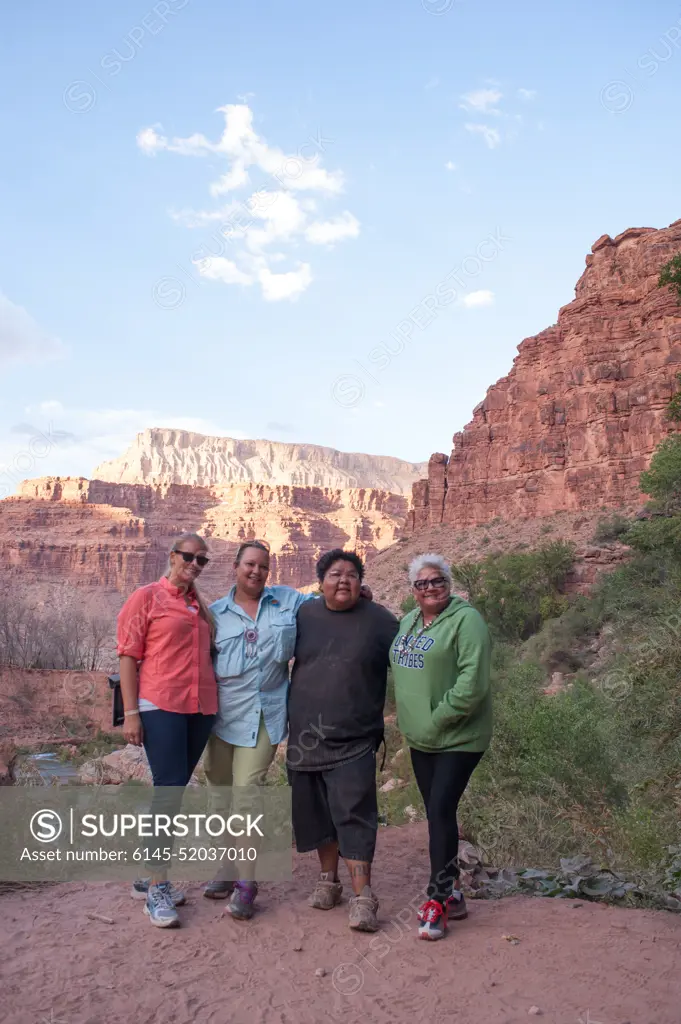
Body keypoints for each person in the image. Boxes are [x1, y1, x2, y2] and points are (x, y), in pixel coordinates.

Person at [203, 540, 318, 920]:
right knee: (220, 799)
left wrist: (359, 593)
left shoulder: (288, 602)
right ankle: (227, 865)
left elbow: (328, 607)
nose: (256, 571)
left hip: (266, 716)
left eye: (263, 567)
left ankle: (247, 884)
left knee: (246, 794)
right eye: (250, 565)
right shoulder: (215, 614)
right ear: (235, 567)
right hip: (221, 718)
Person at [287, 548, 399, 933]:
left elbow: (412, 662)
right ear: (320, 581)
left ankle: (363, 896)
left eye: (352, 575)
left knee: (355, 815)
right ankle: (328, 881)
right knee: (317, 816)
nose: (344, 581)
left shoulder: (380, 621)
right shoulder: (302, 615)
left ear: (361, 582)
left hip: (355, 739)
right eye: (335, 574)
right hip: (304, 739)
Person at [116, 532, 218, 928]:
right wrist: (131, 713)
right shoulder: (147, 597)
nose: (194, 565)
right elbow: (128, 656)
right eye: (189, 557)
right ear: (173, 555)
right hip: (160, 706)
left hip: (200, 709)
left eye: (202, 561)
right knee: (169, 794)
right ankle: (158, 887)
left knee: (170, 794)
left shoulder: (199, 605)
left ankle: (146, 878)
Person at [391, 553, 492, 941]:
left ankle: (437, 899)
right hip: (420, 738)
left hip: (458, 736)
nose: (431, 588)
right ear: (413, 590)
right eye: (422, 583)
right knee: (438, 814)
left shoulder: (467, 621)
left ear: (449, 584)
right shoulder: (408, 621)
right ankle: (453, 893)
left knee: (440, 809)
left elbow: (474, 681)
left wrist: (437, 718)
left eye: (438, 581)